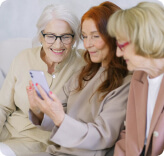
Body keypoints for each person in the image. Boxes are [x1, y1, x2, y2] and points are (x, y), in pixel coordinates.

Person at [27, 1, 131, 156]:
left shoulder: (126, 83)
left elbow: (103, 136)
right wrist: (39, 109)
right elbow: (56, 114)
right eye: (85, 37)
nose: (88, 44)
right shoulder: (85, 72)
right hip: (57, 151)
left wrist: (60, 118)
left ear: (115, 36)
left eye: (95, 36)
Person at [0, 4, 86, 156]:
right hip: (7, 135)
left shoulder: (83, 65)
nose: (58, 44)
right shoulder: (23, 58)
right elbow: (3, 106)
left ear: (74, 39)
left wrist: (40, 111)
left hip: (43, 145)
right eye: (51, 36)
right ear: (41, 36)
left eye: (66, 36)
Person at [107, 2, 164, 156]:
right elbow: (130, 135)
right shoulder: (139, 76)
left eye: (121, 45)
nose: (118, 53)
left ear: (143, 39)